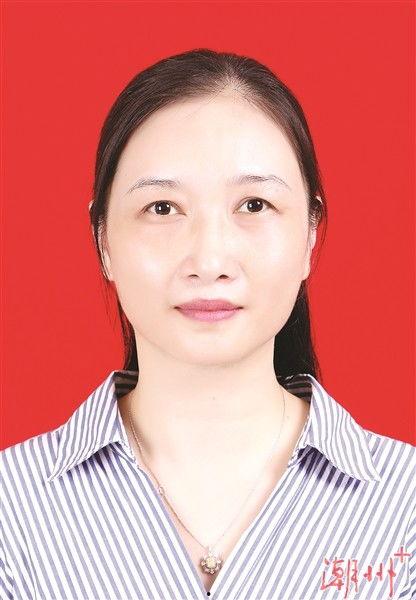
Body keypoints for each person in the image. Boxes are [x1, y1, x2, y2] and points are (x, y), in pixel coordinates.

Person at [1, 48, 414, 600]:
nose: (210, 260)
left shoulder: (404, 506)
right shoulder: (13, 508)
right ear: (103, 241)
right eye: (162, 208)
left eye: (254, 205)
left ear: (310, 234)